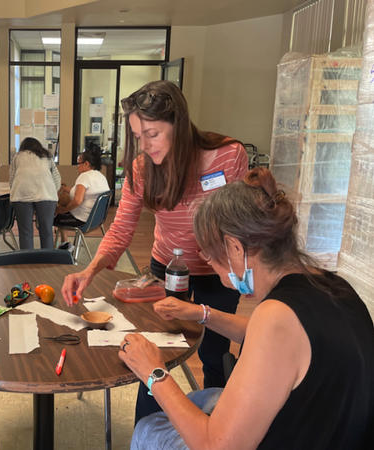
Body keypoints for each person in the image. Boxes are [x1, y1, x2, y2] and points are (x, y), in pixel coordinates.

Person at [121, 167, 374, 450]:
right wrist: (201, 313)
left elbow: (216, 446)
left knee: (148, 428)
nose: (212, 268)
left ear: (235, 248)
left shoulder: (276, 317)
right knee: (197, 399)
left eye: (211, 258)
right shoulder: (332, 286)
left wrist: (154, 372)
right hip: (330, 427)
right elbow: (279, 346)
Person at [61, 80, 249, 422]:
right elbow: (120, 228)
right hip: (167, 268)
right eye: (137, 136)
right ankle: (144, 432)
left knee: (213, 352)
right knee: (153, 350)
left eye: (152, 133)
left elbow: (239, 225)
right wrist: (88, 270)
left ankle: (217, 428)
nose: (144, 145)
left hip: (217, 273)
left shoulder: (228, 155)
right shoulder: (142, 168)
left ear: (178, 122)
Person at [54, 146, 109, 252]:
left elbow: (77, 200)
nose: (77, 167)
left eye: (78, 164)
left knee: (53, 216)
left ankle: (63, 245)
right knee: (63, 209)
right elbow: (81, 193)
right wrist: (64, 189)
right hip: (96, 219)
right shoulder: (100, 177)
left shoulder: (84, 177)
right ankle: (65, 244)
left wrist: (63, 210)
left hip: (81, 220)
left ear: (86, 164)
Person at [9, 137, 61, 249]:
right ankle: (47, 261)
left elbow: (12, 179)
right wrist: (53, 192)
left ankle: (27, 262)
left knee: (25, 233)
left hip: (21, 195)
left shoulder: (17, 157)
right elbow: (57, 179)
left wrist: (14, 191)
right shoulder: (47, 157)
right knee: (46, 231)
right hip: (46, 195)